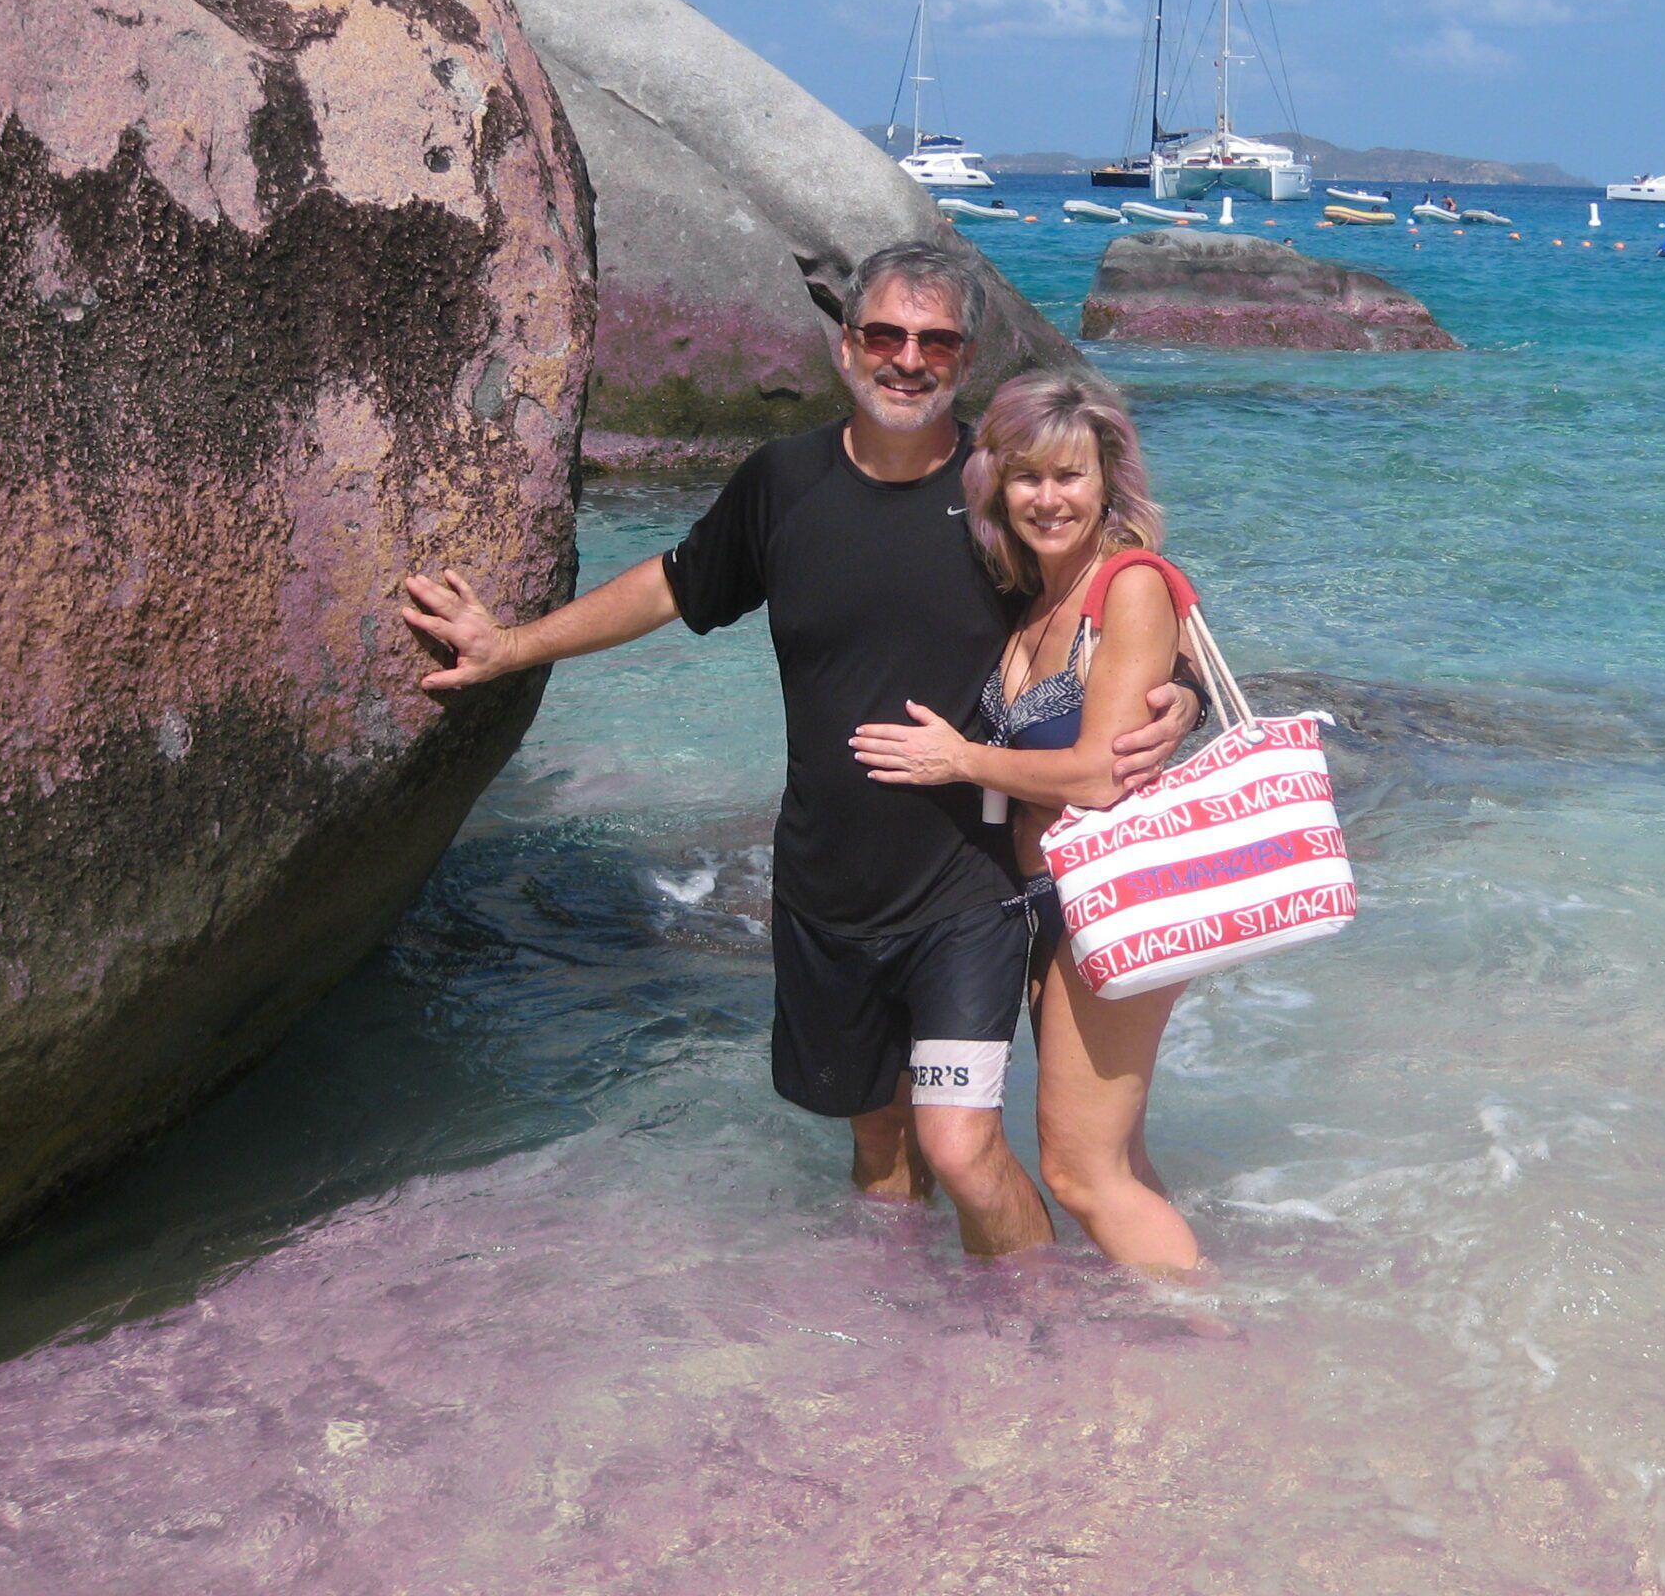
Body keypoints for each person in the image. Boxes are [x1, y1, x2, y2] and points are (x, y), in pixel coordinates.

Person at [399, 243, 1200, 1257]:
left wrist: (1182, 699)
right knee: (876, 1152)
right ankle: (901, 1360)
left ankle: (1034, 1358)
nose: (908, 360)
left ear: (966, 359)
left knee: (960, 1149)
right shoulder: (784, 482)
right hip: (824, 890)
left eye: (936, 342)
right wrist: (511, 645)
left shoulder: (1001, 494)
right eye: (886, 335)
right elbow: (672, 586)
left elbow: (1107, 605)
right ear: (845, 346)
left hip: (968, 896)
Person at [850, 373, 1203, 1274]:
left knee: (1081, 1175)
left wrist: (959, 760)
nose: (1049, 499)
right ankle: (1171, 1346)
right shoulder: (1035, 594)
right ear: (997, 487)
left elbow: (1095, 773)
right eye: (1028, 478)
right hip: (1041, 906)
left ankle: (1218, 1348)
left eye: (1071, 477)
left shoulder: (1126, 586)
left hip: (1105, 902)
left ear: (1108, 483)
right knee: (1111, 1159)